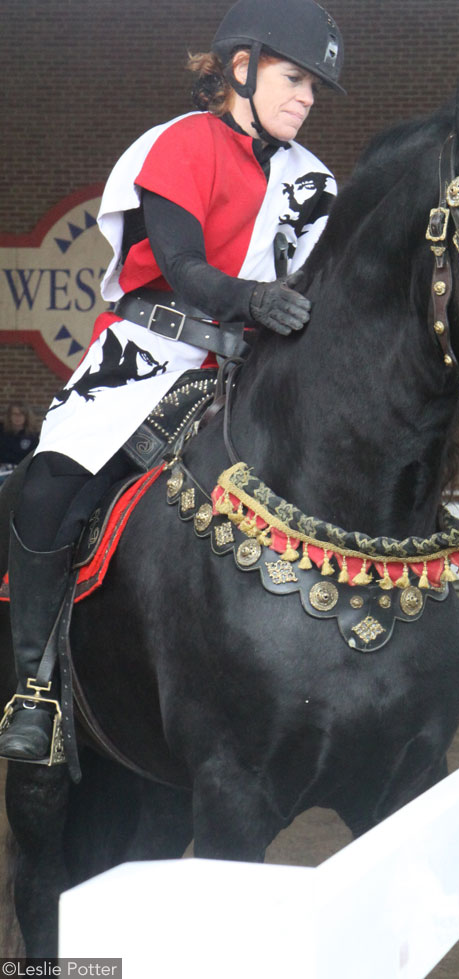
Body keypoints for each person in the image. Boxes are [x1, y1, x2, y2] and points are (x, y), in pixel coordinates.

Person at [0, 0, 345, 763]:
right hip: (147, 356)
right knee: (49, 487)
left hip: (252, 371)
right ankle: (33, 688)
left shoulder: (312, 181)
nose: (307, 98)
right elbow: (185, 270)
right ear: (241, 69)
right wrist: (253, 298)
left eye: (315, 88)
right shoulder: (179, 145)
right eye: (295, 78)